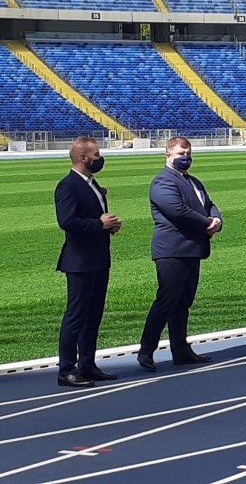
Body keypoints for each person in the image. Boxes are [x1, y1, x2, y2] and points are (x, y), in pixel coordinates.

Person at [137, 137, 222, 371]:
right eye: (180, 153)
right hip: (172, 250)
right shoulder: (163, 181)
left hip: (192, 249)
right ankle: (146, 350)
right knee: (166, 301)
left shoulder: (193, 181)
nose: (186, 157)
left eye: (188, 152)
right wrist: (207, 222)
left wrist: (217, 219)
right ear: (168, 155)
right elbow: (177, 211)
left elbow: (209, 203)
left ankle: (180, 350)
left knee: (183, 303)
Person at [54, 137, 122, 388]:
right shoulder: (68, 186)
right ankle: (66, 369)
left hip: (98, 258)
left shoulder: (92, 183)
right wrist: (99, 224)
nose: (99, 158)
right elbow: (67, 221)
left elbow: (94, 218)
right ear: (83, 158)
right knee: (76, 316)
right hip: (80, 261)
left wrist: (109, 226)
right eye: (96, 154)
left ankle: (87, 364)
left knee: (93, 315)